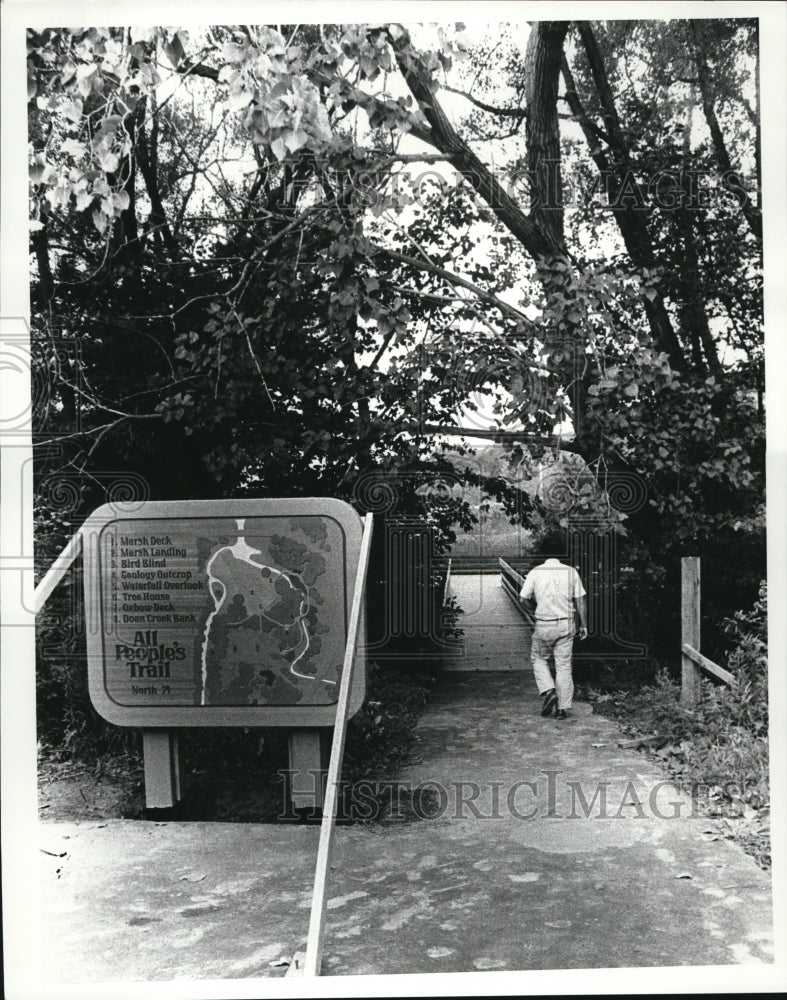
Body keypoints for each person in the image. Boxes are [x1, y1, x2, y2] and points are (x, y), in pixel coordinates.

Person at [520, 531, 588, 720]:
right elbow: (580, 600)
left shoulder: (535, 573)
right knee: (564, 666)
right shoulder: (571, 572)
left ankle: (549, 690)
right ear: (562, 552)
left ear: (543, 553)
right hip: (566, 624)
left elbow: (522, 598)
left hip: (543, 623)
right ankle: (561, 709)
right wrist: (583, 625)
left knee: (538, 658)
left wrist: (534, 613)